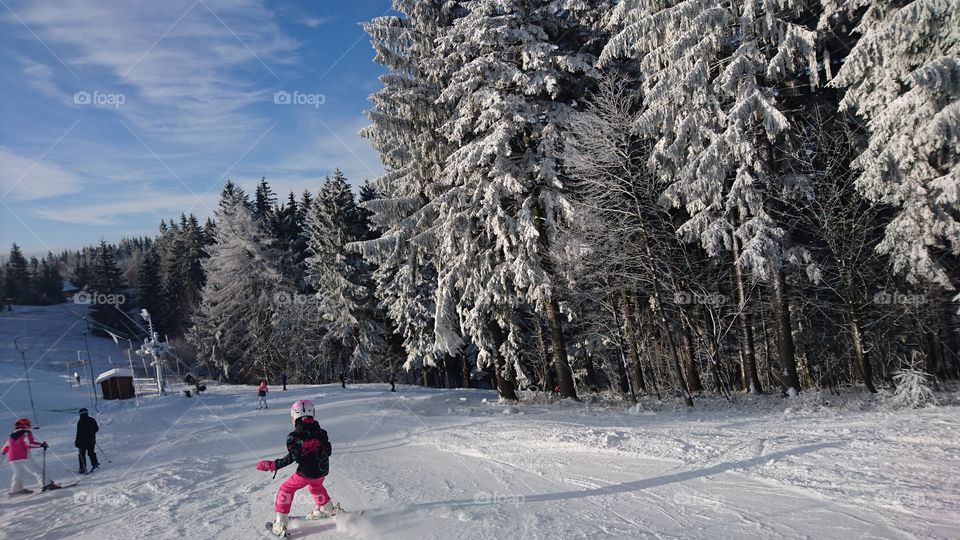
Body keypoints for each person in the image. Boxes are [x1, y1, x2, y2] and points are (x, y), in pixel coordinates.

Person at [256, 400, 340, 537]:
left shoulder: (294, 436)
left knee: (286, 489)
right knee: (315, 486)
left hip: (306, 472)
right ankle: (327, 509)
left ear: (294, 417)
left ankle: (280, 524)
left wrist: (273, 465)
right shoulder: (322, 432)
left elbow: (292, 456)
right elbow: (328, 450)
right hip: (323, 470)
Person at [1, 418, 53, 494]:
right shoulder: (26, 432)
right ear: (25, 425)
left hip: (12, 458)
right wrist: (41, 445)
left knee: (18, 474)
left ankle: (16, 490)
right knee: (36, 470)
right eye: (28, 424)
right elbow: (29, 443)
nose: (29, 426)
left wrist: (2, 457)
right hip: (24, 456)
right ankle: (47, 484)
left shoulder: (11, 435)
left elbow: (5, 447)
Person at [75, 408, 100, 474]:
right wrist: (91, 433)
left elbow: (79, 433)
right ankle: (95, 465)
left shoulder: (80, 422)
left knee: (82, 454)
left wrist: (77, 442)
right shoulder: (92, 419)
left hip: (82, 442)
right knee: (91, 452)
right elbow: (96, 429)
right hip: (92, 440)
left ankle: (83, 468)